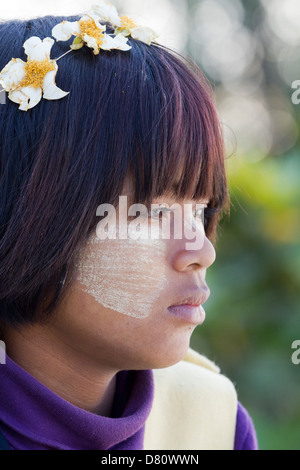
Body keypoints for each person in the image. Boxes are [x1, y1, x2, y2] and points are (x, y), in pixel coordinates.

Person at [0, 1, 258, 450]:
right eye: (152, 212)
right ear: (27, 211)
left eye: (201, 210)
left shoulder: (212, 422)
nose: (201, 250)